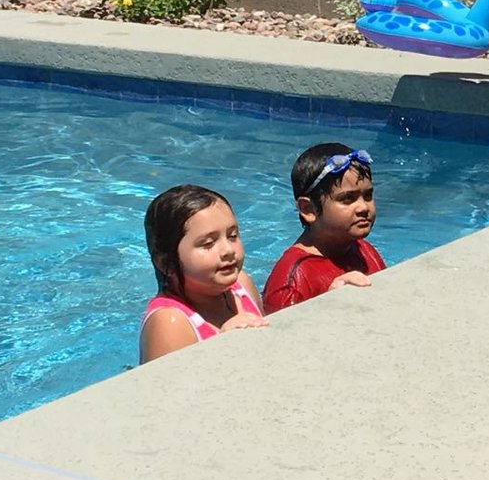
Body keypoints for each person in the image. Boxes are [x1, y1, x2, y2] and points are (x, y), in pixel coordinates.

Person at [139, 184, 267, 365]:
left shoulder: (242, 286)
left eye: (232, 236)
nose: (228, 250)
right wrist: (221, 347)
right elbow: (169, 383)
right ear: (166, 264)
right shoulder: (170, 323)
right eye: (208, 243)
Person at [262, 143, 386, 313]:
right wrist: (326, 307)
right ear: (308, 209)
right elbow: (282, 329)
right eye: (347, 199)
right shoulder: (292, 282)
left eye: (368, 195)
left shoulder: (364, 250)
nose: (364, 208)